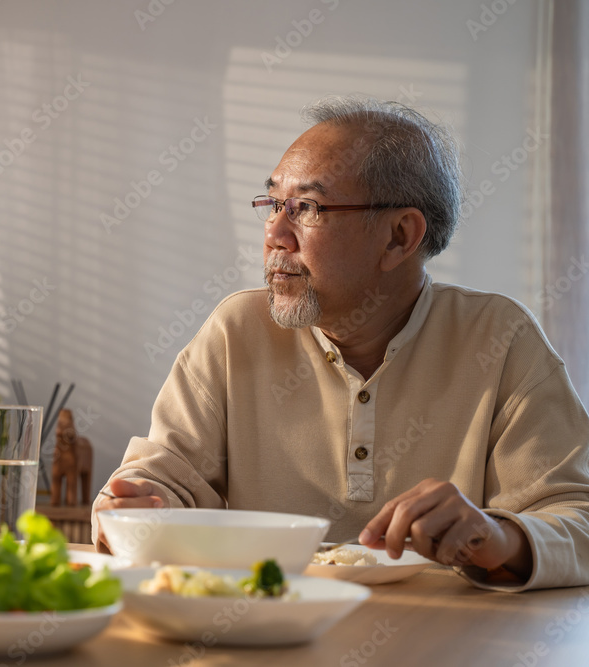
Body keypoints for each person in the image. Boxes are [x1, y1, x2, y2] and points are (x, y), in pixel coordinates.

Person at [92, 95, 589, 591]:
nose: (274, 234)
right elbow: (164, 477)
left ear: (399, 236)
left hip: (444, 640)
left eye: (306, 207)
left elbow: (578, 516)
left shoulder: (500, 339)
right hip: (267, 633)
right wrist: (136, 503)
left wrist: (498, 538)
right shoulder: (236, 331)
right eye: (272, 205)